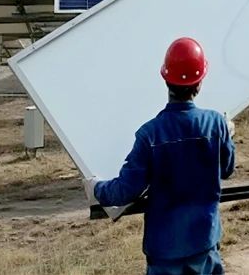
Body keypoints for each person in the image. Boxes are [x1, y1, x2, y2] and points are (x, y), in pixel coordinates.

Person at [83, 37, 236, 275]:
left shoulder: (150, 135)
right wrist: (227, 135)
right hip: (204, 245)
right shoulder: (216, 124)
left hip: (165, 251)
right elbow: (226, 169)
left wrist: (96, 189)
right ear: (199, 84)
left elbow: (126, 190)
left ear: (166, 79)